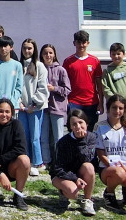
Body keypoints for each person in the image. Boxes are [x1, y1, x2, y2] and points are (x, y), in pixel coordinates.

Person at [96, 94, 126, 215]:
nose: (117, 111)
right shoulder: (100, 127)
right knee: (119, 173)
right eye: (114, 107)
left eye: (120, 108)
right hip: (109, 169)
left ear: (125, 110)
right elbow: (100, 152)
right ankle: (109, 193)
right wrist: (112, 165)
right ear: (108, 108)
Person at [0, 99, 31, 210]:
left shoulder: (16, 125)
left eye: (7, 112)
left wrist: (0, 160)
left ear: (12, 113)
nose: (4, 115)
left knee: (25, 160)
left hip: (10, 166)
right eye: (1, 111)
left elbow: (21, 148)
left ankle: (18, 195)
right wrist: (0, 174)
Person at [50, 109, 97, 216]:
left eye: (81, 123)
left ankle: (87, 200)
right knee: (73, 193)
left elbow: (88, 158)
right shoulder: (63, 142)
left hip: (80, 171)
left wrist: (81, 141)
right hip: (61, 174)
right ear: (70, 127)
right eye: (74, 124)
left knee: (89, 167)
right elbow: (57, 168)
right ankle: (63, 192)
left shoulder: (91, 138)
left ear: (86, 123)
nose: (78, 126)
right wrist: (74, 179)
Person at [40, 43, 71, 176]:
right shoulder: (38, 68)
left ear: (54, 54)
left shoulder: (61, 70)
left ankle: (59, 161)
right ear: (41, 55)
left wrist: (54, 89)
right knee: (44, 136)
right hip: (43, 108)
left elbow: (67, 89)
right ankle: (46, 161)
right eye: (45, 53)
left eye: (50, 53)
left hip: (57, 108)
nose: (48, 55)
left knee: (58, 136)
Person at [63, 30, 103, 131]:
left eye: (84, 42)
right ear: (74, 43)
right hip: (74, 102)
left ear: (88, 43)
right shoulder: (68, 61)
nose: (81, 45)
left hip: (91, 102)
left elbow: (99, 84)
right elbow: (64, 83)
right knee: (75, 130)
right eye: (79, 42)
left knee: (89, 131)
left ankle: (89, 148)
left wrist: (101, 102)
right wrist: (66, 100)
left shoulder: (95, 61)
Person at [18, 38, 48, 173]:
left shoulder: (39, 66)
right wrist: (19, 102)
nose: (27, 51)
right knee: (24, 135)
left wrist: (33, 104)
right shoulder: (18, 65)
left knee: (35, 136)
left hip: (35, 108)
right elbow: (17, 86)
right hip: (22, 107)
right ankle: (27, 161)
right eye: (24, 48)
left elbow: (42, 88)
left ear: (34, 50)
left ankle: (37, 162)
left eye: (30, 48)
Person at [100, 42, 126, 129]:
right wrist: (116, 103)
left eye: (118, 54)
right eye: (113, 54)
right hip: (115, 109)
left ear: (124, 54)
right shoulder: (107, 71)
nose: (116, 56)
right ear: (110, 55)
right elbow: (105, 89)